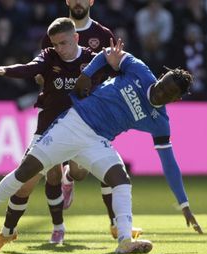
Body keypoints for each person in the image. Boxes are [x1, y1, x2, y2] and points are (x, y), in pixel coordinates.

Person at [0, 37, 203, 254]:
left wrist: (183, 203)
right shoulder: (140, 71)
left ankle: (124, 240)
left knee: (120, 179)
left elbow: (169, 163)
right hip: (74, 124)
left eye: (167, 94)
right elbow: (107, 55)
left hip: (97, 141)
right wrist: (86, 74)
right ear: (160, 77)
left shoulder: (160, 122)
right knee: (25, 172)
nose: (160, 91)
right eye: (162, 85)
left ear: (175, 100)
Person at [0, 17, 113, 251]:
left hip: (80, 131)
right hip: (48, 129)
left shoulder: (93, 61)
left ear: (76, 38)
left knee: (81, 174)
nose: (59, 48)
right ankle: (8, 232)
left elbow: (117, 78)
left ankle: (70, 179)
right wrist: (3, 70)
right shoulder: (49, 56)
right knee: (25, 183)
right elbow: (29, 68)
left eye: (64, 43)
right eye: (55, 44)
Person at [41, 0, 143, 241]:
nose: (77, 2)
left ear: (91, 1)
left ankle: (73, 181)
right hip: (57, 111)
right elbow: (42, 70)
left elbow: (113, 71)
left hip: (90, 116)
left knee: (82, 172)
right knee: (51, 173)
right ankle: (59, 228)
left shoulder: (103, 34)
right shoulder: (54, 33)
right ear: (67, 1)